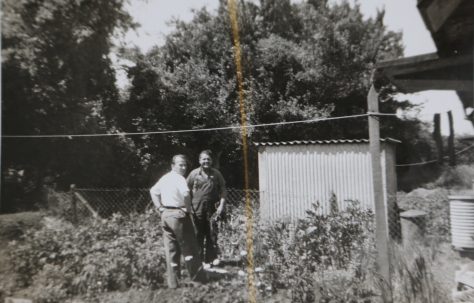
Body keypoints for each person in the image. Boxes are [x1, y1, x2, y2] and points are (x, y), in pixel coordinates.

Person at [149, 154, 206, 288]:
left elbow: (153, 191)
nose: (183, 167)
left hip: (166, 215)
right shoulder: (179, 178)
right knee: (190, 247)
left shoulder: (165, 178)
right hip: (178, 215)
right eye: (180, 164)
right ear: (172, 166)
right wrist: (187, 210)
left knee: (172, 249)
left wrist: (160, 208)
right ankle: (198, 281)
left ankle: (173, 283)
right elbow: (186, 194)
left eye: (185, 164)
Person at [187, 150, 226, 264]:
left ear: (211, 161)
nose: (206, 161)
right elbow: (186, 190)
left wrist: (221, 206)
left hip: (212, 208)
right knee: (198, 234)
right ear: (199, 160)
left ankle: (210, 260)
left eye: (208, 159)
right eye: (204, 159)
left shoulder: (216, 174)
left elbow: (223, 189)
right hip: (196, 208)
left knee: (211, 233)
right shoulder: (194, 174)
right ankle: (198, 261)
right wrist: (188, 207)